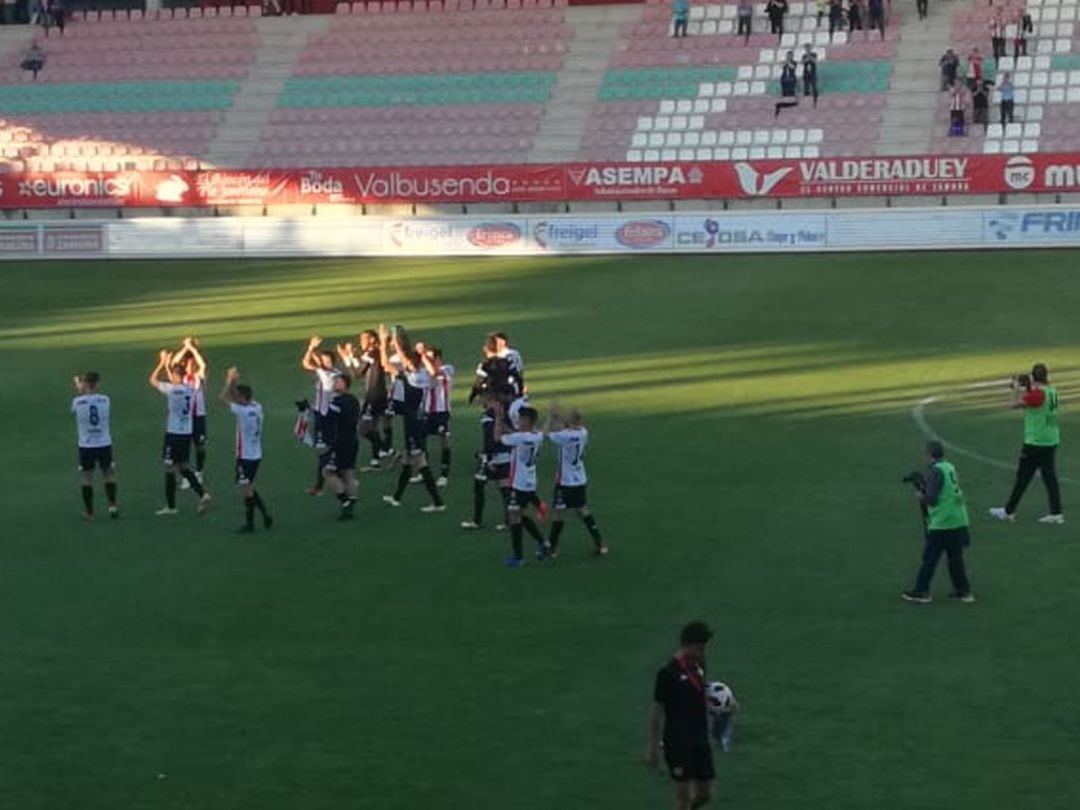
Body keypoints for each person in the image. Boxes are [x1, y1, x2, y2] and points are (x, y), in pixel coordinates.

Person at [646, 622, 716, 810]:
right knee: (683, 798)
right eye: (699, 649)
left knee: (706, 794)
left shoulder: (699, 664)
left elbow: (701, 691)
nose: (702, 653)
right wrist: (653, 748)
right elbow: (656, 710)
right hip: (677, 743)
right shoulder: (667, 674)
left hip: (700, 739)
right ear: (686, 645)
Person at [380, 324, 445, 512]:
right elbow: (388, 364)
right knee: (408, 459)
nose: (405, 363)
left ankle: (438, 502)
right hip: (416, 420)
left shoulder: (415, 378)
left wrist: (390, 340)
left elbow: (395, 360)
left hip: (415, 422)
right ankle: (397, 497)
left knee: (419, 461)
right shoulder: (423, 377)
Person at [902, 442, 975, 604]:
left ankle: (921, 591)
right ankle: (964, 591)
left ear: (929, 454)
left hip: (943, 521)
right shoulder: (949, 467)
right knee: (955, 557)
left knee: (930, 557)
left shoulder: (935, 471)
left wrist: (921, 495)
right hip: (958, 518)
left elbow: (932, 499)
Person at [990, 363, 1064, 524]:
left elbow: (1013, 405)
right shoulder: (1051, 391)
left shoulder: (1038, 394)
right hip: (1050, 439)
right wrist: (1028, 387)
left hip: (1036, 442)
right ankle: (1056, 513)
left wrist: (1016, 389)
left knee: (1022, 478)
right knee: (1049, 477)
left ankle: (1008, 511)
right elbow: (1035, 403)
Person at [149, 349, 211, 516]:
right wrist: (169, 365)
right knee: (183, 466)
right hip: (186, 433)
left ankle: (171, 506)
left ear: (176, 376)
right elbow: (177, 380)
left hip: (173, 434)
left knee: (169, 467)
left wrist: (161, 363)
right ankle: (203, 494)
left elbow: (152, 380)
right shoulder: (190, 389)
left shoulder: (171, 389)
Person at [545, 405, 608, 558]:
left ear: (570, 420)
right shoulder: (583, 432)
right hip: (579, 479)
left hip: (565, 481)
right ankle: (599, 543)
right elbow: (565, 428)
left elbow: (546, 434)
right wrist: (560, 418)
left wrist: (551, 417)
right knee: (582, 510)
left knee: (558, 513)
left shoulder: (565, 436)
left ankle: (552, 548)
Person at [495, 405, 549, 567]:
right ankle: (543, 543)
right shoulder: (536, 435)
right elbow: (518, 434)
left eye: (520, 418)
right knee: (519, 514)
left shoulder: (519, 438)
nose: (518, 421)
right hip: (529, 482)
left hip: (518, 483)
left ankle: (518, 557)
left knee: (515, 518)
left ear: (527, 421)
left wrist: (498, 418)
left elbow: (497, 437)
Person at [221, 367, 273, 533]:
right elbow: (234, 397)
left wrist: (230, 380)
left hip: (245, 456)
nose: (235, 400)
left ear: (243, 399)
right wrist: (235, 383)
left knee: (246, 490)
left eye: (238, 397)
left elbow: (223, 398)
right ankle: (264, 516)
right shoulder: (257, 407)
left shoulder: (242, 412)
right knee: (249, 487)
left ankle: (252, 523)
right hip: (256, 454)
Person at [338, 330, 393, 469]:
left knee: (362, 429)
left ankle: (387, 450)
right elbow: (364, 368)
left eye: (364, 338)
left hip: (373, 395)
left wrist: (347, 359)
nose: (361, 341)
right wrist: (351, 356)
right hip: (380, 393)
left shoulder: (372, 353)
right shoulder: (375, 352)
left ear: (372, 340)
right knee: (373, 426)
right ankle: (376, 460)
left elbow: (357, 374)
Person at [461, 387, 513, 531]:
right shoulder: (506, 412)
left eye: (482, 396)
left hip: (493, 456)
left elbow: (490, 438)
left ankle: (477, 521)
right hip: (506, 453)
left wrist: (488, 457)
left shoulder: (489, 415)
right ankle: (510, 521)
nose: (480, 399)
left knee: (480, 485)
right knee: (504, 487)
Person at [71, 371, 118, 520]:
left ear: (85, 384)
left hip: (86, 445)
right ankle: (112, 506)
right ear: (97, 384)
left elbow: (74, 411)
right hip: (104, 443)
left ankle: (90, 512)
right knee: (108, 474)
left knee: (87, 478)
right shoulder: (105, 399)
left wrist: (80, 391)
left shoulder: (77, 402)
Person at [300, 335, 340, 496]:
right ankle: (327, 477)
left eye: (327, 360)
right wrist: (315, 352)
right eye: (323, 361)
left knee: (323, 450)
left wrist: (311, 348)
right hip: (325, 414)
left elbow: (305, 363)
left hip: (325, 416)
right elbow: (316, 363)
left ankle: (320, 485)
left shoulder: (327, 374)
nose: (324, 362)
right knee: (326, 448)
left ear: (332, 361)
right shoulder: (334, 372)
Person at [324, 374, 361, 521]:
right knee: (348, 472)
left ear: (345, 384)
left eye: (338, 382)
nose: (334, 384)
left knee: (328, 472)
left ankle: (345, 500)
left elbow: (328, 417)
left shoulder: (338, 402)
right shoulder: (354, 400)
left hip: (340, 442)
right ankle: (350, 505)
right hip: (352, 440)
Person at [173, 336, 208, 490]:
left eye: (192, 363)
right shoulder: (181, 378)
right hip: (185, 418)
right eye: (188, 363)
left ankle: (199, 472)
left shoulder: (199, 376)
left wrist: (192, 348)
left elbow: (203, 364)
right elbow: (174, 361)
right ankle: (187, 477)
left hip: (198, 416)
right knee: (184, 447)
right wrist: (185, 347)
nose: (190, 365)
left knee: (200, 446)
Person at [421, 344, 454, 487]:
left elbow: (434, 373)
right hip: (427, 411)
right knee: (421, 441)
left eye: (431, 358)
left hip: (442, 411)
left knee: (444, 441)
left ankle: (444, 474)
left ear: (438, 358)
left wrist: (422, 355)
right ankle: (424, 472)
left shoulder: (447, 369)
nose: (428, 360)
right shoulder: (424, 371)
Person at [775, 51, 799, 117]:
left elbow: (792, 67)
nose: (789, 57)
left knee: (791, 90)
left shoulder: (794, 62)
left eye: (790, 56)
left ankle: (792, 101)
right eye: (788, 55)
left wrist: (788, 63)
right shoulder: (784, 62)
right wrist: (784, 63)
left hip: (791, 78)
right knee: (784, 90)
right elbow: (780, 66)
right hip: (784, 77)